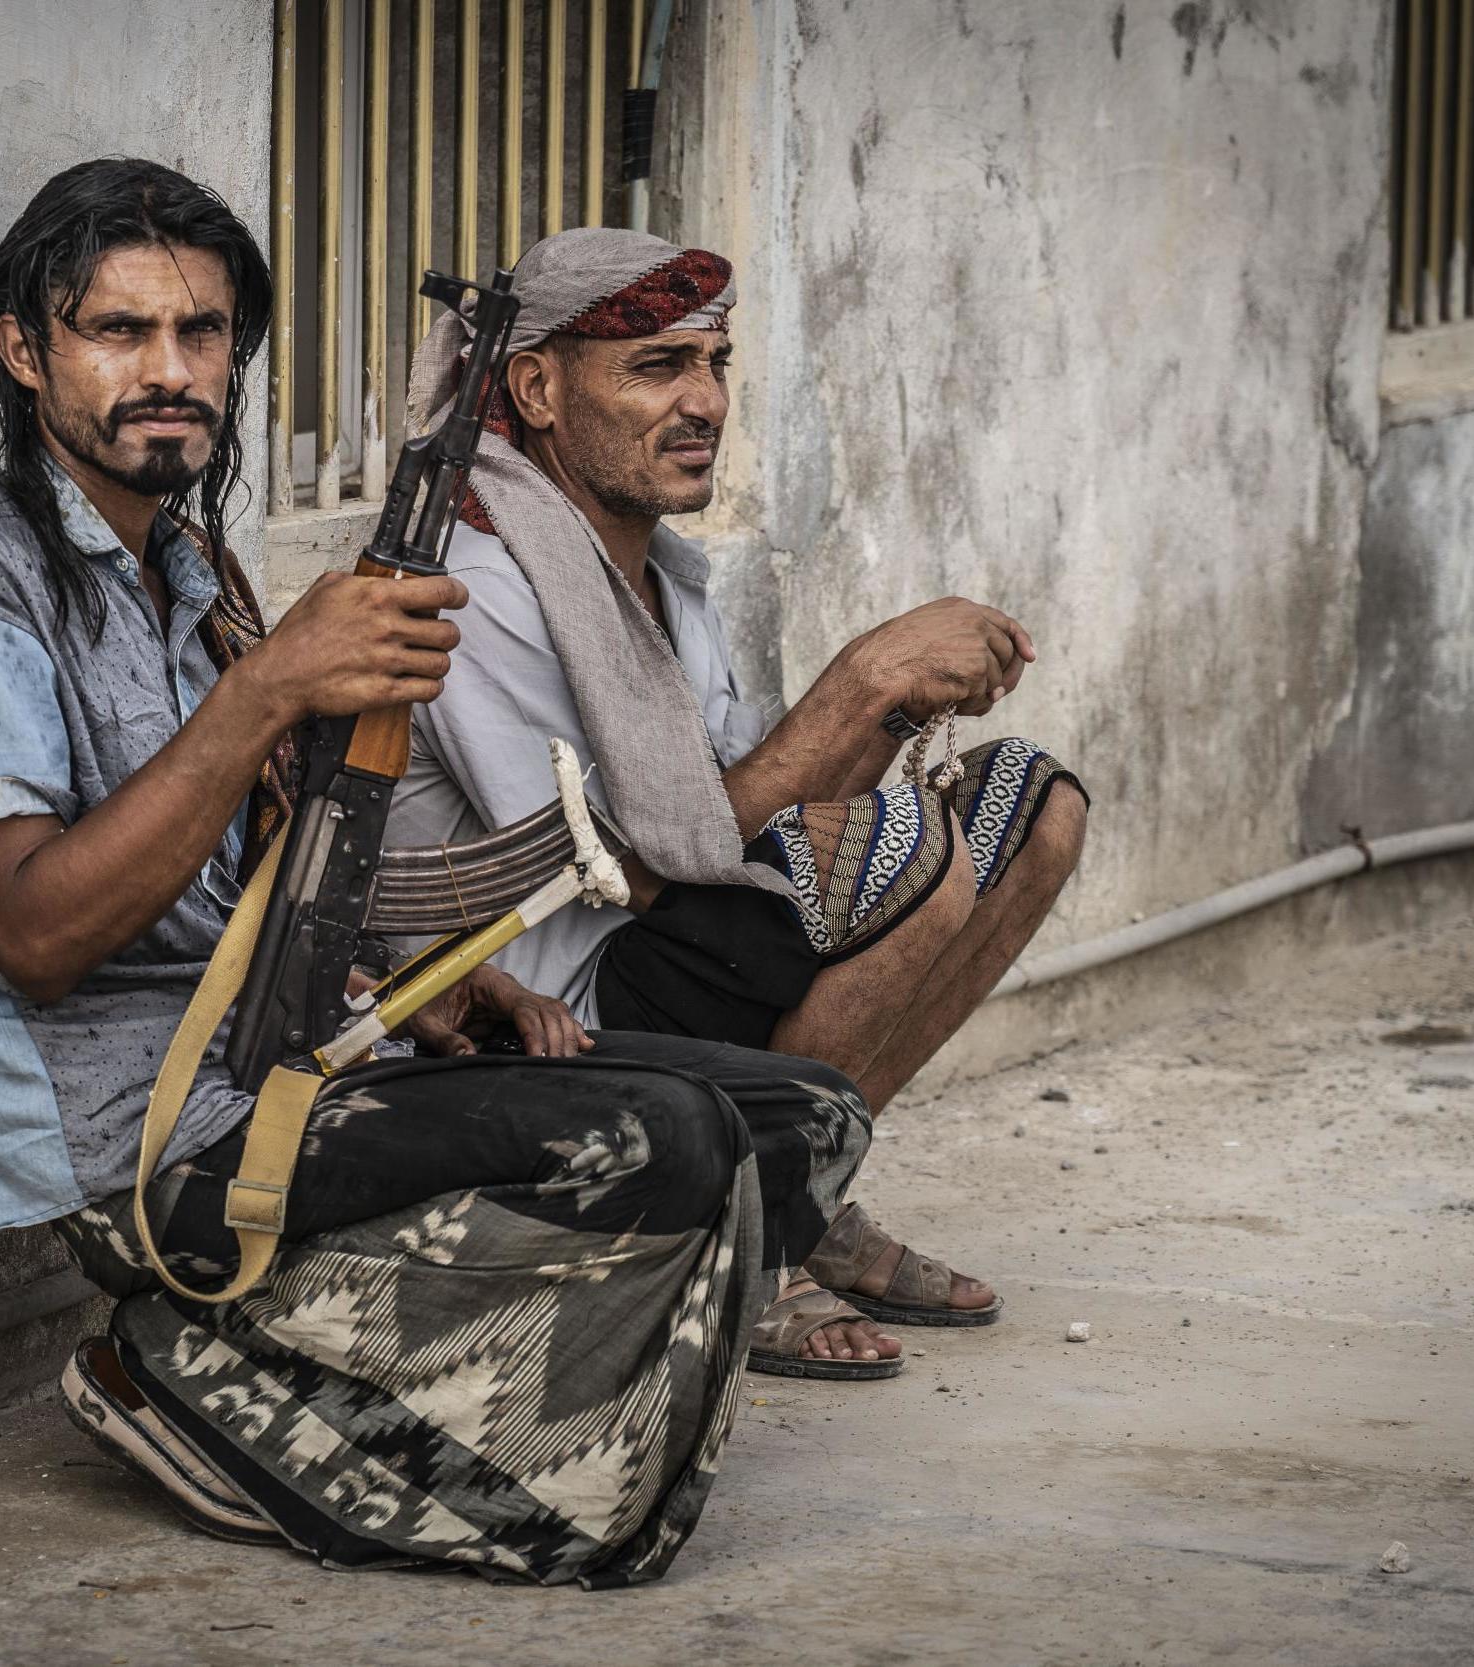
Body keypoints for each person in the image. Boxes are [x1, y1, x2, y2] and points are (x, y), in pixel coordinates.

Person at [0, 161, 882, 1588]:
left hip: (279, 1060)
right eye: (118, 332)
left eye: (201, 335)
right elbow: (34, 930)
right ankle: (202, 1365)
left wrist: (417, 990)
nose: (170, 372)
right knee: (664, 1145)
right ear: (26, 354)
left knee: (800, 1118)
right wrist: (265, 689)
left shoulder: (186, 573)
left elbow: (260, 882)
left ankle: (293, 1348)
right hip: (134, 1144)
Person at [387, 227, 1090, 1358]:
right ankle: (744, 1243)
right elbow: (620, 868)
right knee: (905, 852)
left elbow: (739, 814)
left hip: (654, 940)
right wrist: (860, 676)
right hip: (542, 1008)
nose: (704, 400)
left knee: (1029, 809)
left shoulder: (660, 570)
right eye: (656, 366)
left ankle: (801, 1198)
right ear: (538, 388)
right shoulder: (478, 583)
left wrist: (892, 711)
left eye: (714, 363)